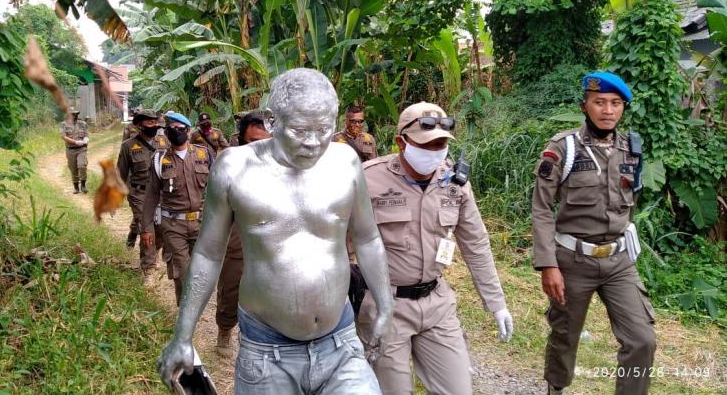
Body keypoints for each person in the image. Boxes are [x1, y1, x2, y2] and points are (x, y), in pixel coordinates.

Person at [156, 68, 393, 394]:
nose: (313, 142)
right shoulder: (234, 168)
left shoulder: (345, 162)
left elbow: (367, 238)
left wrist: (385, 304)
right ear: (271, 121)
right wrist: (183, 336)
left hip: (341, 343)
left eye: (324, 129)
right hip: (267, 352)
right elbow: (210, 253)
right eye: (299, 130)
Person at [357, 101, 514, 395]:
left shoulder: (454, 183)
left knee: (457, 389)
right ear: (401, 142)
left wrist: (497, 303)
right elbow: (340, 244)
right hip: (386, 304)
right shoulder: (367, 179)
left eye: (441, 144)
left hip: (437, 302)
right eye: (426, 144)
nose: (434, 151)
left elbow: (476, 244)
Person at [532, 72, 655, 395]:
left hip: (618, 262)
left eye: (616, 103)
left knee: (642, 339)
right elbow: (542, 209)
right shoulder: (563, 148)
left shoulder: (632, 148)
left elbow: (630, 203)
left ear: (623, 109)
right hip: (573, 261)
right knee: (565, 335)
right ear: (584, 106)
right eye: (599, 102)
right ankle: (556, 388)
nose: (608, 110)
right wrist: (548, 264)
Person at [214, 109, 272, 358]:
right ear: (240, 140)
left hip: (273, 231)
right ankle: (225, 328)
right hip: (238, 231)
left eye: (265, 142)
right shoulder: (229, 165)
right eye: (252, 142)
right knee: (232, 284)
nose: (259, 148)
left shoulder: (286, 163)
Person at [141, 111, 212, 304]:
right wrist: (146, 228)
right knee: (181, 270)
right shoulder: (159, 159)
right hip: (173, 224)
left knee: (200, 270)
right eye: (170, 128)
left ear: (187, 130)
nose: (174, 131)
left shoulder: (203, 154)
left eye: (178, 128)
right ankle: (185, 311)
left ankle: (195, 306)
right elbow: (151, 195)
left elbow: (217, 188)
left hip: (201, 223)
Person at [117, 109, 168, 285]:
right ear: (139, 125)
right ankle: (149, 270)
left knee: (160, 229)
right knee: (147, 230)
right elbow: (121, 174)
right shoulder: (128, 146)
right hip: (139, 194)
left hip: (161, 194)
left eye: (155, 122)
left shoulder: (164, 142)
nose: (153, 125)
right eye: (149, 122)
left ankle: (152, 255)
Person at [59, 109, 89, 194]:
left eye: (76, 114)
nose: (75, 116)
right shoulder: (64, 124)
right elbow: (63, 136)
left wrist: (86, 139)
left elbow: (86, 134)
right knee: (73, 168)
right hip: (70, 149)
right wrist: (75, 142)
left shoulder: (83, 124)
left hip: (81, 149)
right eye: (73, 114)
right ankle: (76, 187)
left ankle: (83, 185)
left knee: (82, 165)